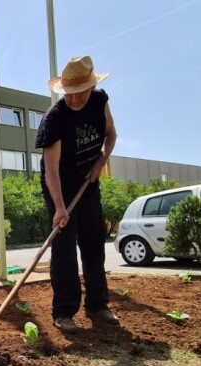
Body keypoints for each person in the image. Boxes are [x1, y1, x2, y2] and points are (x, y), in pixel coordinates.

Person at [35, 55, 119, 333]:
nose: (71, 99)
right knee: (64, 247)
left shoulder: (99, 102)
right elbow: (51, 172)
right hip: (59, 185)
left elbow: (111, 137)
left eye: (77, 93)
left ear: (90, 88)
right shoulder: (55, 119)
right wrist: (59, 208)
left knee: (94, 242)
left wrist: (100, 163)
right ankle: (63, 311)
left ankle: (98, 305)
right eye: (67, 93)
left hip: (88, 181)